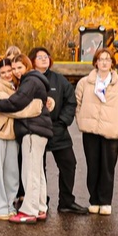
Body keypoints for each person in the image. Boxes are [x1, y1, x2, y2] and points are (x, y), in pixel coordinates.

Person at [0, 54, 54, 224]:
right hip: (38, 130)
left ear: (27, 66)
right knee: (37, 171)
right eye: (14, 68)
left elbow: (15, 104)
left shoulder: (30, 81)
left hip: (32, 129)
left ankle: (29, 210)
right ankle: (40, 207)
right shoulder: (34, 80)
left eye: (19, 68)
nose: (16, 72)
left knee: (30, 171)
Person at [30, 47, 88, 215]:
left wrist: (63, 121)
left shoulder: (59, 80)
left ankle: (66, 202)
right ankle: (42, 201)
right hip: (36, 128)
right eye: (39, 57)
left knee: (69, 163)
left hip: (57, 128)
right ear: (32, 60)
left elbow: (71, 101)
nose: (44, 59)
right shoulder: (29, 80)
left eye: (46, 56)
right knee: (38, 167)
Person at [75, 48, 118, 215]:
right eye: (101, 59)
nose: (104, 62)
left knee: (107, 168)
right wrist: (81, 120)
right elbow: (77, 103)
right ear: (96, 62)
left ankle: (105, 201)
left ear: (112, 63)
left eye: (108, 59)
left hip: (111, 132)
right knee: (93, 167)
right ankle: (94, 200)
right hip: (90, 131)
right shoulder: (85, 83)